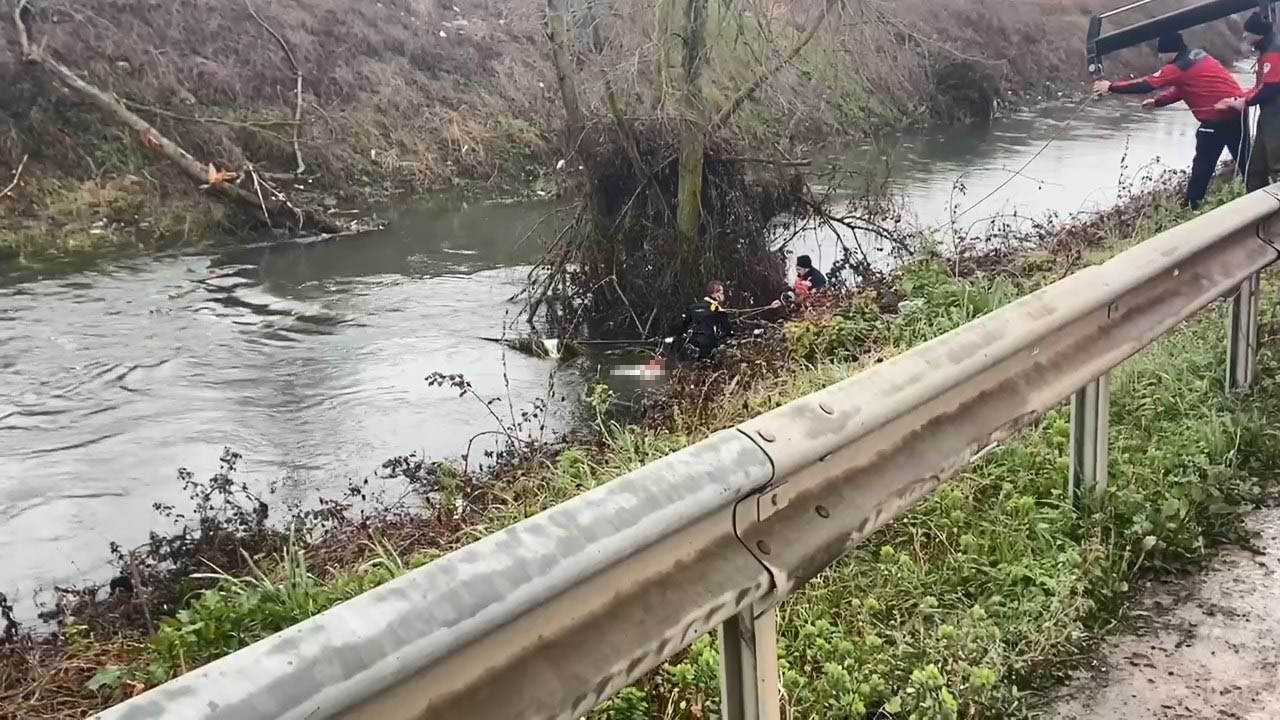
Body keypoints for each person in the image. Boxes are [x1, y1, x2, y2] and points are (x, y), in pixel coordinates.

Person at [1093, 32, 1248, 209]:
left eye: (1162, 53)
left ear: (1170, 51)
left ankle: (1192, 207)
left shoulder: (1177, 67)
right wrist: (1158, 102)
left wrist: (1110, 87)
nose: (1160, 57)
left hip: (1216, 121)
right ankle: (1261, 193)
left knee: (1202, 168)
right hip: (1238, 113)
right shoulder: (1198, 56)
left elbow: (1147, 84)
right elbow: (1184, 88)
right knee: (1247, 160)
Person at [1216, 12, 1280, 191]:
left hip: (1276, 117)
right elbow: (1262, 86)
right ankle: (1258, 209)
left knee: (1277, 165)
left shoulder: (1274, 51)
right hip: (1268, 117)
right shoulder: (1267, 49)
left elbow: (1270, 88)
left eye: (1248, 32)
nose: (1244, 35)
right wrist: (1241, 98)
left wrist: (1244, 103)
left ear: (1258, 33)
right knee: (1256, 169)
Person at [668, 281, 734, 361]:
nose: (723, 296)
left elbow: (682, 327)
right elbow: (728, 331)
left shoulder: (692, 307)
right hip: (709, 346)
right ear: (716, 294)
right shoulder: (717, 310)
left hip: (693, 344)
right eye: (722, 293)